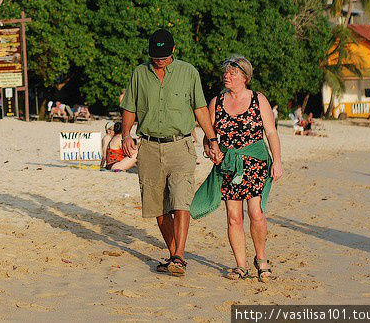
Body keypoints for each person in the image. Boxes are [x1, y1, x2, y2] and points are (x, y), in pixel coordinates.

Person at [120, 29, 223, 277]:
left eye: (164, 56)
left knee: (180, 200)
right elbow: (129, 108)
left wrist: (212, 139)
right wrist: (125, 134)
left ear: (173, 51)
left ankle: (179, 256)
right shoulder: (139, 74)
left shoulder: (189, 73)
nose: (160, 60)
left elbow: (199, 108)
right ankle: (175, 253)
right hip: (149, 147)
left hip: (181, 146)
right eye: (156, 56)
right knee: (158, 207)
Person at [191, 55, 283, 282]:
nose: (227, 76)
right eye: (226, 72)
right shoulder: (216, 102)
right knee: (234, 218)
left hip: (255, 163)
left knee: (256, 213)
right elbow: (209, 135)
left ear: (245, 77)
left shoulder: (258, 100)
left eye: (233, 73)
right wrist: (210, 150)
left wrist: (278, 160)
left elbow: (271, 132)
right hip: (229, 165)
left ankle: (261, 259)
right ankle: (241, 266)